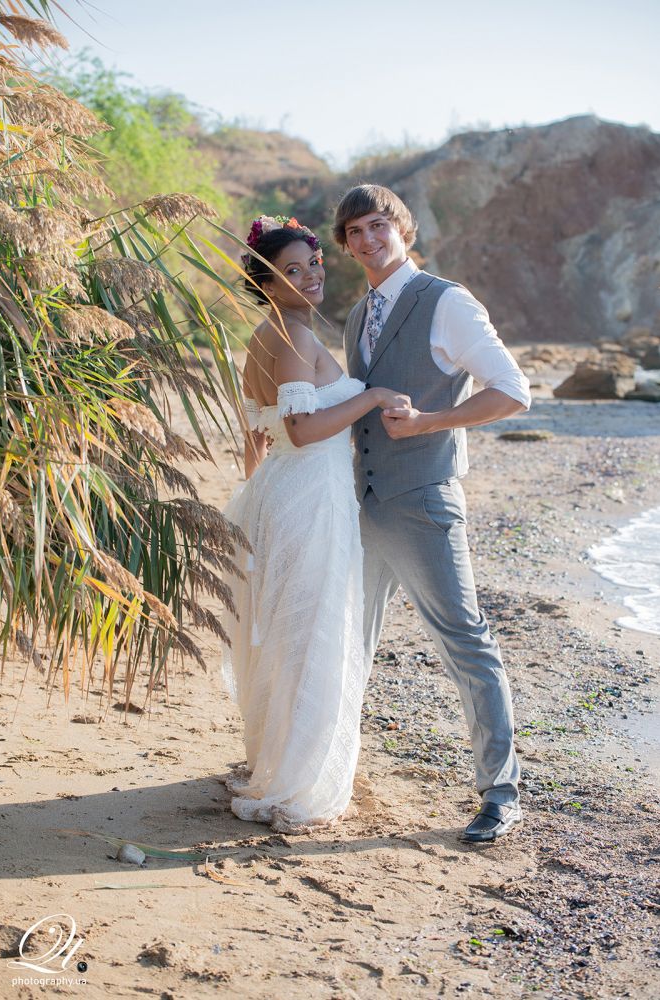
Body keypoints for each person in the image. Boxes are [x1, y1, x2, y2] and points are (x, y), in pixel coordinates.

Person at [334, 184, 532, 842]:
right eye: (355, 232)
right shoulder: (357, 315)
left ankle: (500, 792)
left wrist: (429, 422)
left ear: (403, 229)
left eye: (377, 225)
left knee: (466, 642)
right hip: (363, 504)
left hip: (423, 501)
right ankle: (326, 772)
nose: (368, 239)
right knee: (347, 640)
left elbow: (513, 392)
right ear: (345, 246)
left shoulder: (447, 301)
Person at [220, 215, 410, 833]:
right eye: (292, 271)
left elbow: (256, 434)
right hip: (309, 496)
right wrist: (372, 396)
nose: (309, 277)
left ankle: (278, 762)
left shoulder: (264, 336)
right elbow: (300, 431)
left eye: (314, 264)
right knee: (310, 634)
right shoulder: (294, 337)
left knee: (289, 634)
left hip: (281, 493)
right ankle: (297, 783)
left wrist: (255, 498)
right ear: (266, 283)